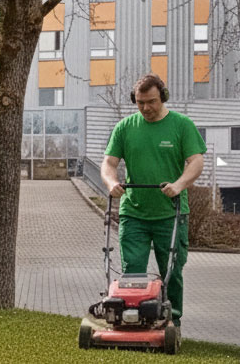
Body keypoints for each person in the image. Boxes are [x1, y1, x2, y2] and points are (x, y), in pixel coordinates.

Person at [101, 73, 205, 335]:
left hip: (170, 214)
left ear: (163, 98)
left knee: (171, 272)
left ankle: (173, 321)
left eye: (151, 102)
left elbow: (196, 161)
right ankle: (132, 319)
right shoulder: (125, 127)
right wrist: (111, 183)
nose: (146, 108)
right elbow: (109, 163)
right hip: (134, 213)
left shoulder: (181, 125)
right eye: (140, 103)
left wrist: (179, 185)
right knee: (132, 272)